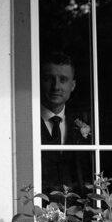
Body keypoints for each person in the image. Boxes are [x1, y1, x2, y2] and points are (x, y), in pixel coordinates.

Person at [39, 52, 92, 197]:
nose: (56, 86)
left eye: (63, 80)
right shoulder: (28, 123)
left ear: (72, 85)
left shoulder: (84, 123)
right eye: (49, 79)